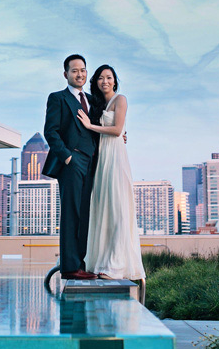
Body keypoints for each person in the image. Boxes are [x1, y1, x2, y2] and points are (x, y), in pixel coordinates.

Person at [78, 64, 146, 281]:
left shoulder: (121, 99)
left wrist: (91, 126)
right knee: (102, 209)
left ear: (115, 81)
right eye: (100, 78)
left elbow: (117, 131)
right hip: (101, 158)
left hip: (116, 157)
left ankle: (115, 265)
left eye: (108, 77)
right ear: (96, 82)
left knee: (117, 209)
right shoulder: (96, 103)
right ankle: (100, 261)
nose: (104, 81)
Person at [41, 54, 99, 280]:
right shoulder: (58, 98)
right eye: (74, 70)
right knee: (71, 214)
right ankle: (69, 268)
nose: (80, 74)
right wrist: (67, 158)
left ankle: (81, 264)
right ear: (66, 74)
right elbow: (51, 132)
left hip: (92, 162)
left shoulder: (93, 100)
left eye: (83, 70)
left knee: (85, 214)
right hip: (72, 163)